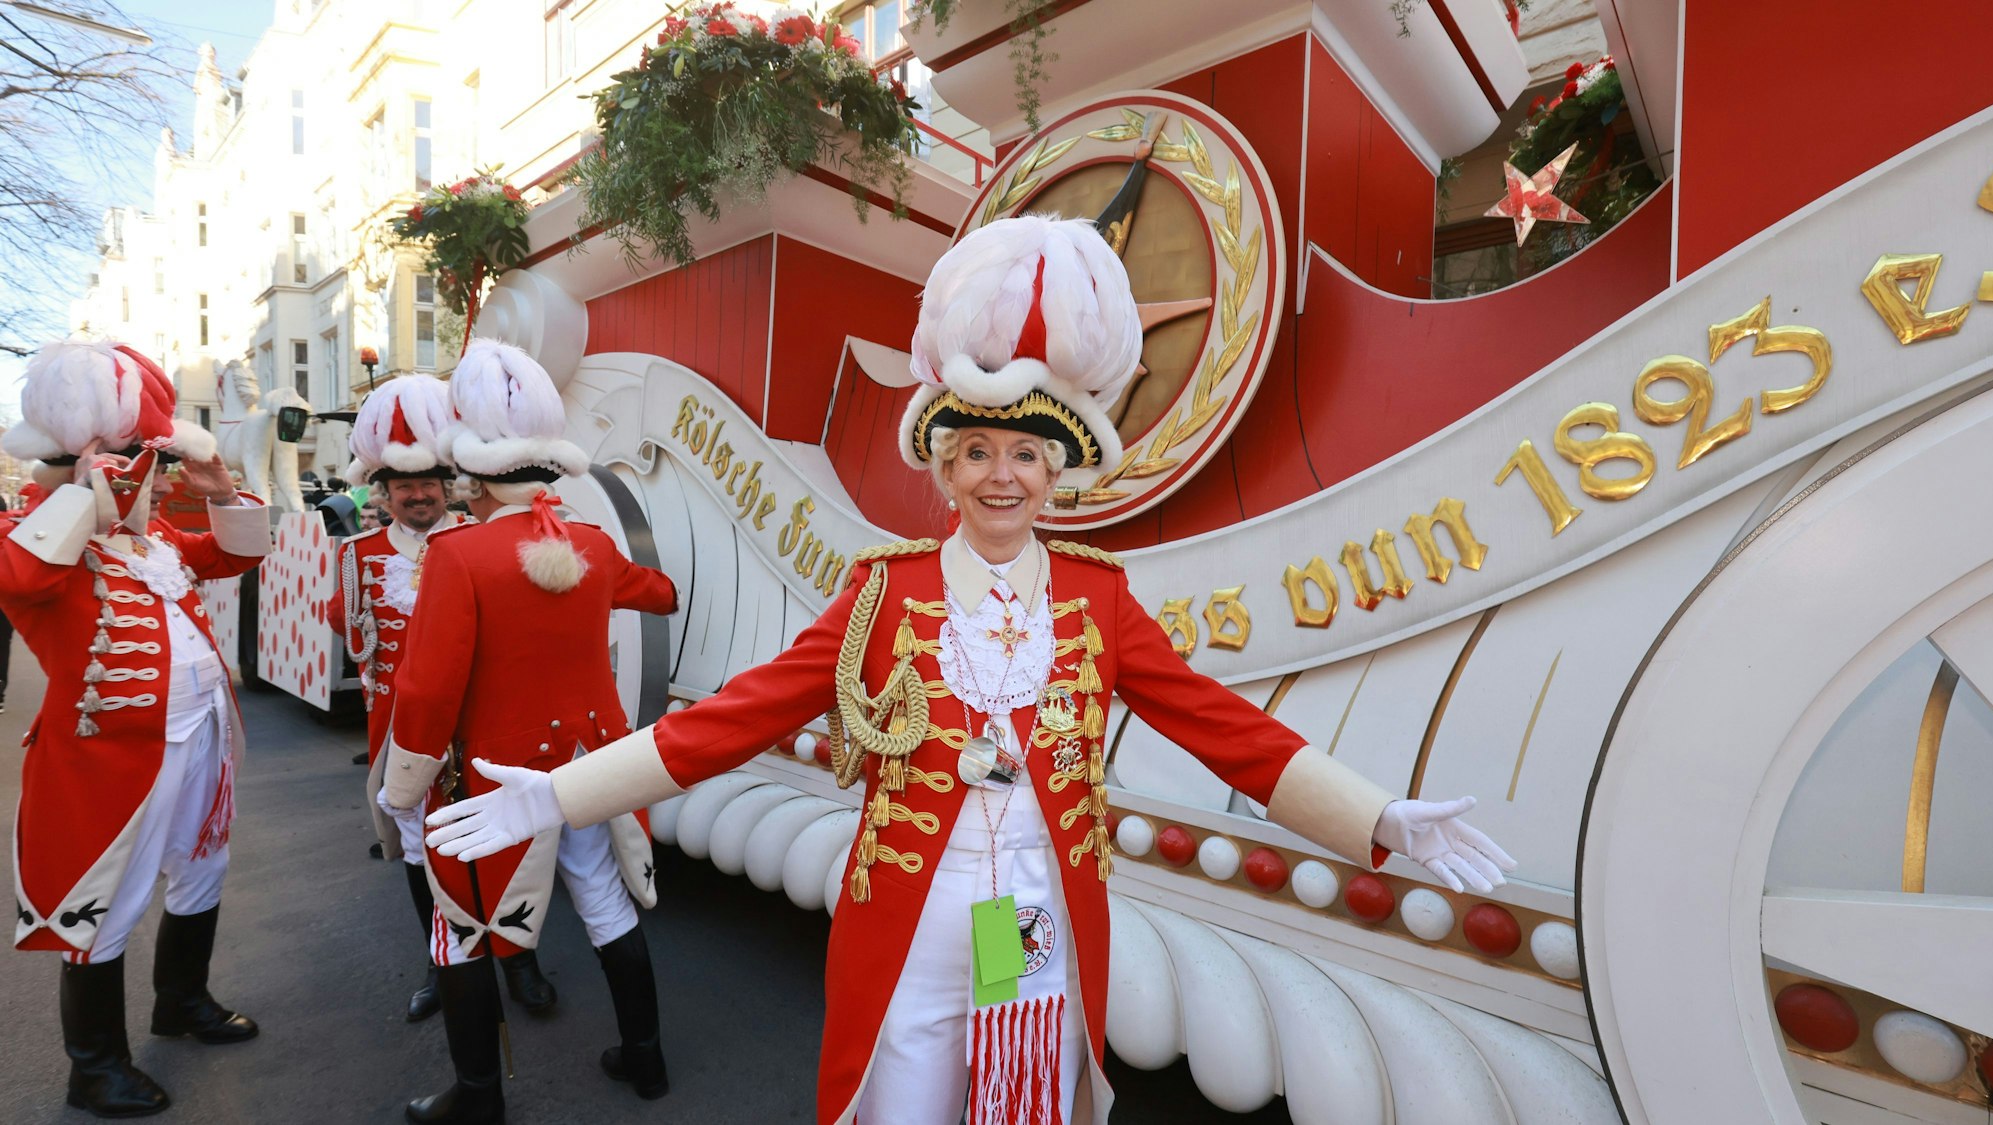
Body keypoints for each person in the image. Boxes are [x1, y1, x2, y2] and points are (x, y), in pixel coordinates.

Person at [426, 216, 1518, 1124]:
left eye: (1027, 455)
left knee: (1016, 1104)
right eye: (979, 454)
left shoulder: (1096, 597)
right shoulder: (883, 590)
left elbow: (1217, 723)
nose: (1003, 477)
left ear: (1060, 470)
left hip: (1030, 925)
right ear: (943, 465)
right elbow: (737, 717)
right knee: (899, 1102)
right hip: (906, 921)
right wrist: (558, 794)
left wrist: (1375, 818)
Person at [382, 339, 680, 1124]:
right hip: (589, 764)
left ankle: (481, 1096)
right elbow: (662, 593)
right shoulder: (586, 544)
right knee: (607, 905)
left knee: (463, 930)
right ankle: (646, 1058)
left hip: (497, 779)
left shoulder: (458, 554)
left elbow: (426, 688)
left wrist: (402, 787)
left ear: (475, 472)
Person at [0, 340, 272, 1118]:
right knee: (105, 905)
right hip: (110, 762)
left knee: (202, 869)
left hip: (202, 737)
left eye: (142, 464)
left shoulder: (152, 545)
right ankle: (94, 1065)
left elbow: (236, 552)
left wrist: (218, 483)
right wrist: (82, 494)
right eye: (127, 464)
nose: (139, 478)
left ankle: (181, 1001)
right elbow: (21, 578)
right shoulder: (38, 543)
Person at [336, 377, 560, 1025]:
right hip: (405, 735)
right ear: (382, 491)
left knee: (506, 842)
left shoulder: (479, 540)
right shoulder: (358, 555)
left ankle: (519, 957)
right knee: (419, 852)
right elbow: (356, 640)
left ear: (449, 483)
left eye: (431, 479)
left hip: (485, 729)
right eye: (403, 484)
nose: (418, 492)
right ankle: (443, 964)